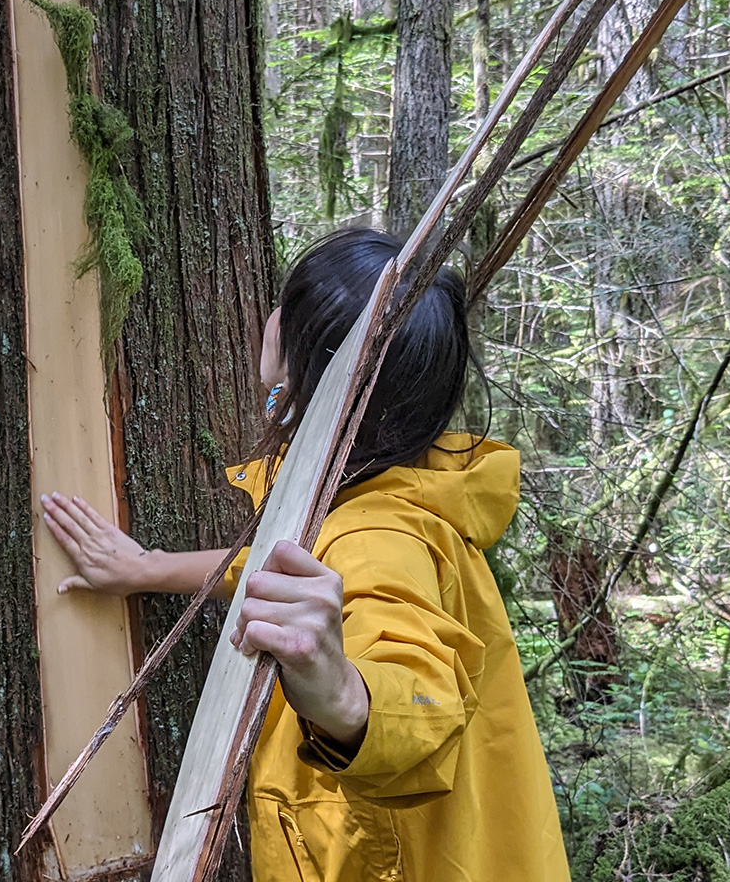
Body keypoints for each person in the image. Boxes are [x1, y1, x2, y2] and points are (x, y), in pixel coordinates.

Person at [41, 228, 571, 882]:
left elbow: (418, 690)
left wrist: (343, 695)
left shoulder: (382, 533)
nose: (271, 315)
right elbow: (290, 567)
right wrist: (148, 568)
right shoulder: (387, 485)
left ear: (308, 364)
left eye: (289, 307)